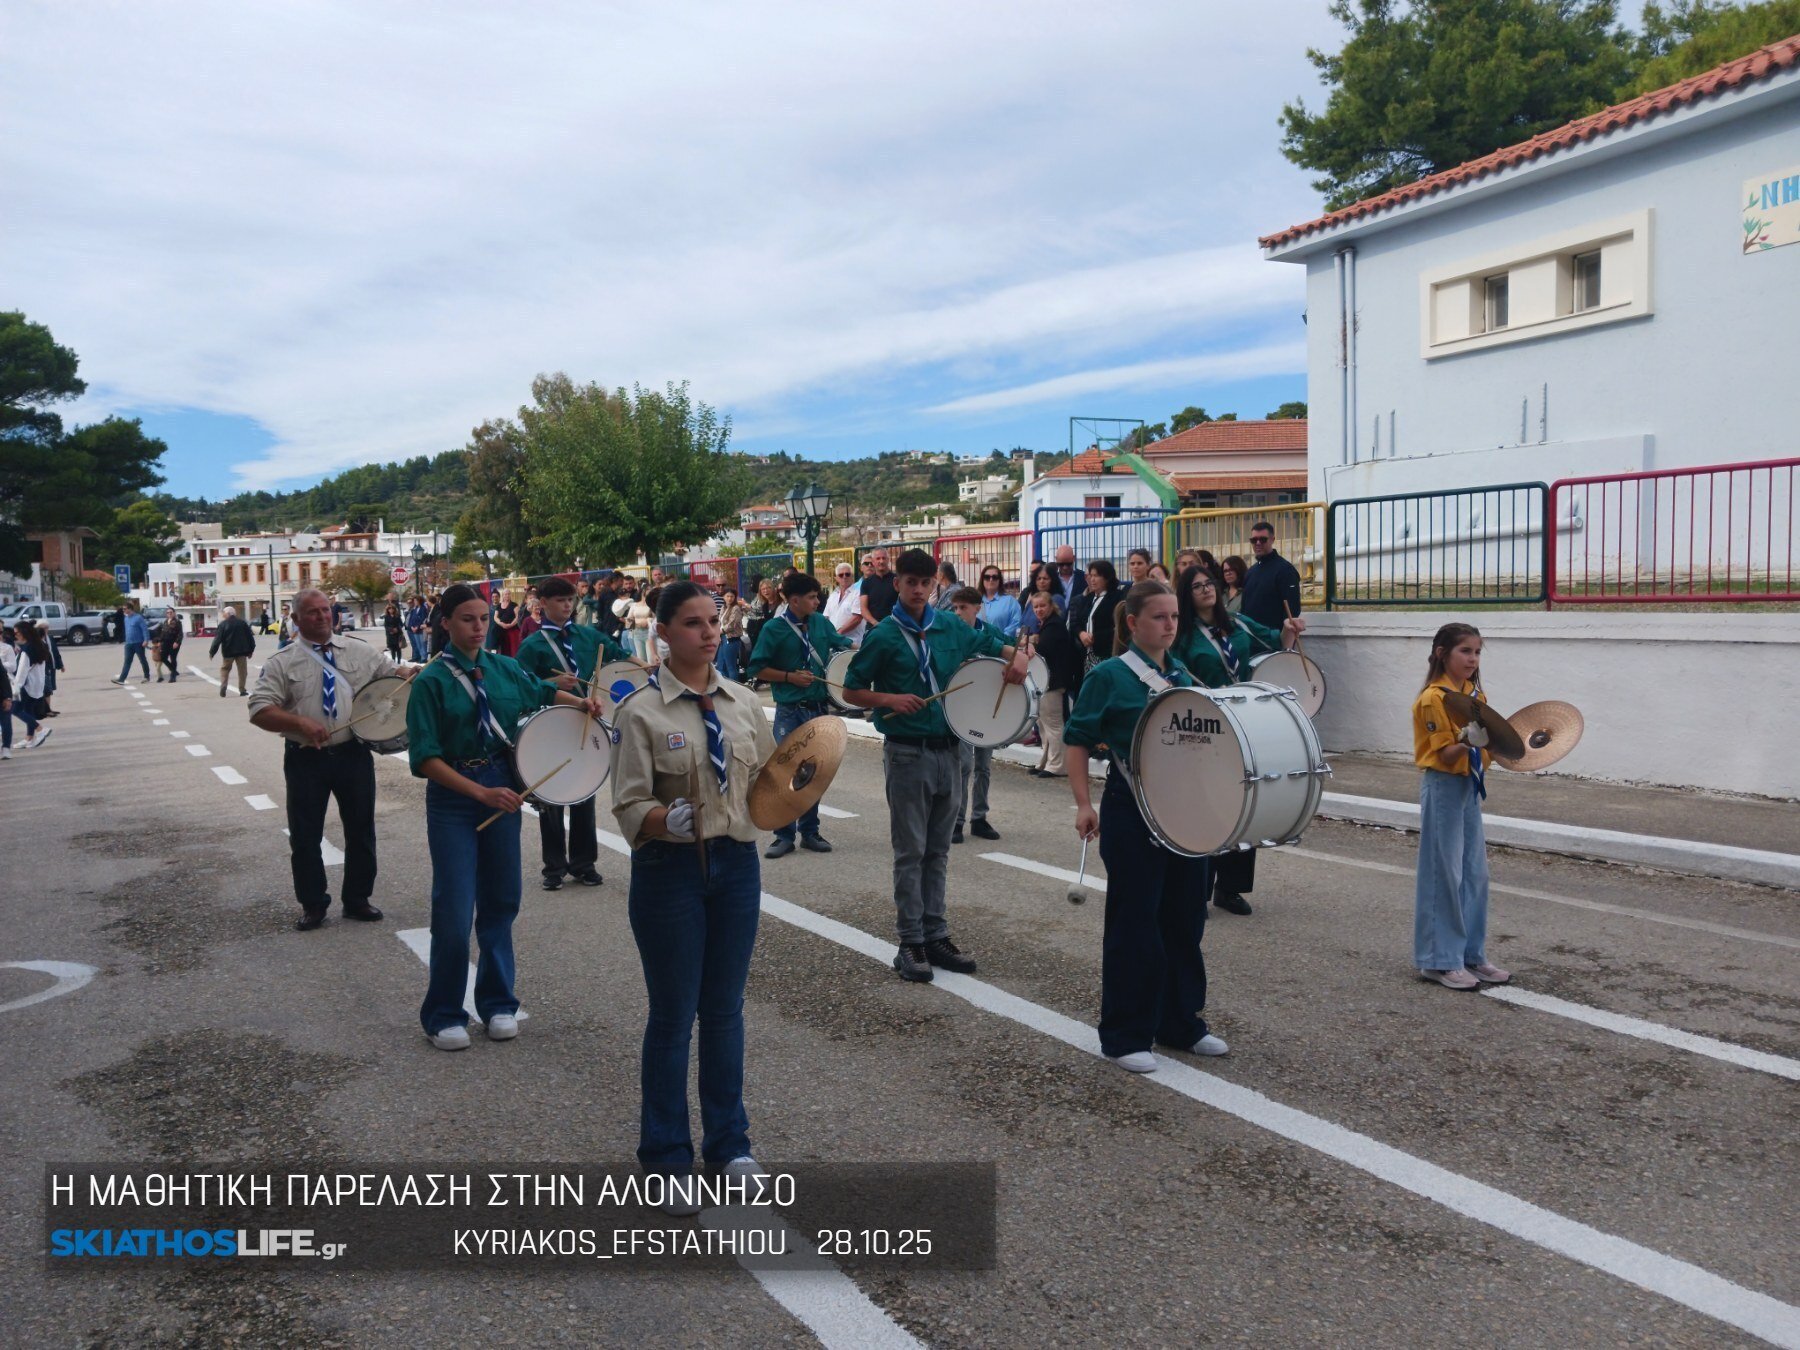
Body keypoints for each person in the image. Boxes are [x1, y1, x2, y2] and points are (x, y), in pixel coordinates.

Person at [610, 580, 775, 1207]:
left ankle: (730, 1144)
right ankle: (666, 1156)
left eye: (713, 621)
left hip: (735, 864)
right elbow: (628, 802)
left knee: (726, 1009)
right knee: (674, 1015)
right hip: (670, 873)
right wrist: (662, 821)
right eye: (692, 623)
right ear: (665, 633)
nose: (708, 633)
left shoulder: (741, 703)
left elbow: (764, 778)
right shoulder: (640, 711)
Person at [405, 583, 604, 1050]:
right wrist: (480, 792)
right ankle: (444, 1013)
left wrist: (583, 704)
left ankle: (498, 1004)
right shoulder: (431, 681)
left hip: (502, 787)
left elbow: (541, 692)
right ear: (446, 624)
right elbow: (425, 758)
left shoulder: (504, 668)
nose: (478, 627)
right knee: (454, 908)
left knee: (501, 902)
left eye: (483, 619)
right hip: (456, 796)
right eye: (468, 620)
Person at [842, 548, 1028, 982]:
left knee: (939, 851)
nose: (919, 590)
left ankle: (936, 934)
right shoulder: (884, 636)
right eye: (911, 583)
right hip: (907, 751)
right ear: (898, 584)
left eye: (926, 584)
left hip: (952, 749)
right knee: (911, 852)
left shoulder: (948, 625)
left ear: (934, 586)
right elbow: (851, 690)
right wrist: (887, 700)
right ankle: (910, 941)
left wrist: (1015, 656)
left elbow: (990, 645)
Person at [1063, 580, 1227, 1074]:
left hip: (1183, 812)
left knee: (1184, 920)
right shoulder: (1110, 676)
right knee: (1136, 924)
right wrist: (1082, 804)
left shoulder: (1183, 674)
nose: (1171, 625)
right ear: (1133, 623)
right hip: (1131, 809)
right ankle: (1125, 1033)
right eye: (1160, 617)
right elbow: (1077, 740)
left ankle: (1180, 1023)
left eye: (1175, 616)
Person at [249, 589, 417, 932]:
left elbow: (389, 675)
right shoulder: (283, 662)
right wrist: (297, 723)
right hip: (305, 758)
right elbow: (259, 710)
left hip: (352, 752)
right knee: (305, 835)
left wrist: (408, 673)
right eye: (313, 612)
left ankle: (357, 900)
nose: (323, 617)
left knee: (361, 830)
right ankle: (313, 904)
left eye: (326, 610)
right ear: (295, 620)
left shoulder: (359, 650)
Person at [1172, 566, 1306, 916]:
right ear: (1187, 595)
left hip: (1244, 720)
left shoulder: (1238, 622)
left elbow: (1278, 640)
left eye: (1209, 584)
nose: (1206, 590)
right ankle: (1195, 890)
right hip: (1204, 725)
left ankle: (1230, 888)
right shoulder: (1183, 636)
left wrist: (1289, 630)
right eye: (1197, 586)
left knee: (1245, 801)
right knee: (1206, 805)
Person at [515, 575, 634, 891]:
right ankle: (553, 867)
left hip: (586, 722)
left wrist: (646, 669)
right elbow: (521, 688)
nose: (567, 606)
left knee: (584, 792)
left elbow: (617, 655)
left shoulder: (584, 635)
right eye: (559, 601)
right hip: (550, 726)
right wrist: (554, 684)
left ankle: (584, 864)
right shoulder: (532, 646)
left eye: (570, 600)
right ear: (542, 604)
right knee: (551, 795)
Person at [1413, 623, 1510, 991]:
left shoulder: (1472, 693)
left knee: (1474, 874)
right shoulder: (1432, 698)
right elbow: (1444, 753)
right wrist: (1467, 739)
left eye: (1477, 652)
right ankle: (1438, 960)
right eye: (1465, 651)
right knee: (1444, 874)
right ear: (1442, 653)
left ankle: (1471, 953)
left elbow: (1485, 747)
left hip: (1469, 786)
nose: (1473, 659)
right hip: (1443, 786)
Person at [748, 571, 855, 858]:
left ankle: (810, 832)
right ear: (794, 600)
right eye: (811, 597)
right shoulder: (773, 629)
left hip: (817, 709)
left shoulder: (820, 622)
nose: (817, 601)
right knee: (785, 774)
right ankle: (783, 835)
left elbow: (842, 645)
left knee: (815, 772)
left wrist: (865, 649)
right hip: (790, 710)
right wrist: (788, 677)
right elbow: (756, 668)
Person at [948, 587, 1008, 844]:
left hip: (987, 710)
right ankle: (956, 821)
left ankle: (979, 818)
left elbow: (1011, 656)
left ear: (977, 607)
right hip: (961, 707)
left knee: (983, 766)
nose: (959, 612)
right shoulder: (951, 634)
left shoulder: (991, 634)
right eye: (956, 608)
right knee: (963, 765)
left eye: (964, 607)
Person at [1026, 590, 1079, 779]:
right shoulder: (1049, 625)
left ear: (1050, 606)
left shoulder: (1054, 626)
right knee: (1044, 724)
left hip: (1053, 681)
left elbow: (1043, 650)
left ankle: (1057, 765)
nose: (1039, 610)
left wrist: (1032, 642)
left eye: (1042, 606)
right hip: (1048, 681)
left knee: (1053, 724)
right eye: (1036, 607)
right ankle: (1047, 761)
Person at [1066, 560, 1123, 678]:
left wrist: (1095, 637)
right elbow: (1076, 623)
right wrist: (1081, 633)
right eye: (1090, 576)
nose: (1092, 579)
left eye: (1096, 576)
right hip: (1087, 656)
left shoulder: (1116, 598)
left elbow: (1118, 627)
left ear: (1107, 577)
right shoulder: (1088, 598)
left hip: (1107, 655)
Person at [1240, 522, 1301, 630]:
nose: (1258, 543)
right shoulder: (1250, 572)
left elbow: (1292, 610)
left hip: (1274, 638)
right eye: (1254, 540)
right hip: (1250, 637)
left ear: (1272, 539)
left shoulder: (1285, 570)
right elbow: (1244, 608)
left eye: (1263, 539)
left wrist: (1284, 639)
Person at [7, 623, 51, 748]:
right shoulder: (40, 645)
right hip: (37, 684)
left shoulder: (26, 650)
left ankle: (40, 729)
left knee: (14, 709)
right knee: (28, 710)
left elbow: (22, 670)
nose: (15, 636)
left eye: (17, 633)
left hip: (26, 685)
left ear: (24, 632)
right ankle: (29, 738)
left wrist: (16, 687)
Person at [209, 605, 257, 697]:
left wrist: (212, 652)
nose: (223, 616)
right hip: (242, 652)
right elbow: (250, 637)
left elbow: (217, 639)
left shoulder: (223, 625)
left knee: (225, 669)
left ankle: (223, 685)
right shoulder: (242, 623)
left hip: (228, 652)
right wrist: (251, 650)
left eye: (224, 614)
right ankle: (242, 689)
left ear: (228, 614)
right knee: (242, 671)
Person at [975, 566, 1022, 642]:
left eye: (995, 577)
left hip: (1003, 648)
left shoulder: (1010, 602)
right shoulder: (975, 601)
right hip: (979, 647)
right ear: (982, 580)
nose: (991, 580)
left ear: (999, 580)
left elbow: (1015, 624)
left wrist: (1000, 641)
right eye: (987, 577)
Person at [823, 562, 865, 644]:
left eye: (847, 574)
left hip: (853, 642)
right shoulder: (832, 596)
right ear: (836, 578)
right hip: (834, 641)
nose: (844, 577)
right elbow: (826, 618)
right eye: (841, 575)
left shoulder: (858, 594)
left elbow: (857, 618)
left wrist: (838, 633)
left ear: (852, 576)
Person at [856, 548, 897, 632]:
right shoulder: (866, 583)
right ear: (873, 562)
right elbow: (863, 609)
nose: (881, 561)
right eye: (878, 558)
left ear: (888, 560)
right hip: (873, 629)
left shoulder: (897, 580)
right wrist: (876, 623)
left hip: (894, 628)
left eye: (883, 558)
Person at [113, 601, 151, 683]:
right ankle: (121, 679)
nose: (123, 610)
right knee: (127, 661)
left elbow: (144, 630)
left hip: (138, 643)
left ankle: (147, 676)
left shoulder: (138, 618)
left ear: (130, 609)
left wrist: (146, 640)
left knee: (142, 660)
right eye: (123, 609)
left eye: (124, 609)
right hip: (128, 643)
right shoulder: (126, 618)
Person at [716, 588, 746, 682]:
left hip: (732, 638)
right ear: (723, 597)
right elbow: (718, 621)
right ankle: (725, 686)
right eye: (727, 596)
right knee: (721, 665)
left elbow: (732, 624)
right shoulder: (723, 607)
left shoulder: (736, 608)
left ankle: (735, 687)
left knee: (731, 666)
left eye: (732, 596)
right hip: (722, 638)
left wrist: (720, 632)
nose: (729, 598)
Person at [626, 586, 656, 664]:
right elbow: (629, 619)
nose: (650, 591)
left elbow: (656, 618)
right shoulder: (634, 605)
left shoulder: (652, 605)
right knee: (641, 659)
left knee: (650, 659)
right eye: (648, 589)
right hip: (637, 633)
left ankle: (652, 675)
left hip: (649, 633)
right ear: (643, 591)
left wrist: (648, 620)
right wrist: (635, 622)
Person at [1050, 544, 1082, 609]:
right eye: (1061, 564)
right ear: (1056, 559)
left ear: (1074, 558)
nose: (1065, 567)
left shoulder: (1083, 578)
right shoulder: (1051, 579)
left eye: (1068, 564)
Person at [155, 609, 183, 682]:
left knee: (173, 658)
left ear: (174, 613)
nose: (169, 614)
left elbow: (180, 634)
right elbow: (163, 633)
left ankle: (172, 677)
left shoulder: (177, 622)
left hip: (174, 643)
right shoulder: (165, 622)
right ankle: (173, 670)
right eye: (168, 612)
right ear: (166, 614)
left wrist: (177, 642)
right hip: (166, 642)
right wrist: (160, 641)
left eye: (171, 612)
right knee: (162, 657)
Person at [491, 589, 521, 656]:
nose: (507, 595)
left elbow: (517, 617)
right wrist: (501, 624)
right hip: (500, 628)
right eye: (505, 594)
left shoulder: (514, 605)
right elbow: (495, 617)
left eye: (508, 594)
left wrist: (510, 625)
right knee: (494, 635)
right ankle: (493, 653)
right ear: (503, 595)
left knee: (509, 648)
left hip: (511, 628)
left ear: (510, 595)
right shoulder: (499, 606)